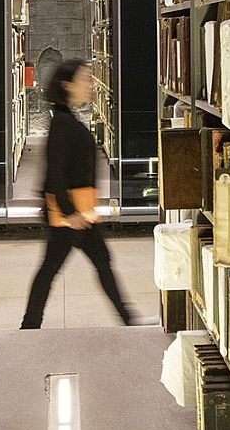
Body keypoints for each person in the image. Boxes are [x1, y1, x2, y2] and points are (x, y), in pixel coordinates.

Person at [20, 58, 145, 328]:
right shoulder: (63, 124)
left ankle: (127, 318)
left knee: (95, 263)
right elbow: (56, 172)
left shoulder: (67, 119)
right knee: (56, 268)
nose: (90, 84)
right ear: (68, 85)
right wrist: (70, 213)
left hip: (81, 211)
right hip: (71, 213)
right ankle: (30, 324)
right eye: (85, 79)